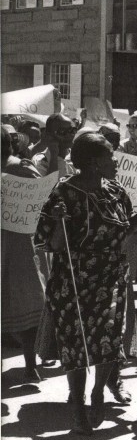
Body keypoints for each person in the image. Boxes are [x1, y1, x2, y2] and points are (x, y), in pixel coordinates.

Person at [34, 132, 137, 435]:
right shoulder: (63, 193)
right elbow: (54, 245)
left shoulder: (115, 191)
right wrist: (59, 221)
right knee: (76, 346)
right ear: (95, 163)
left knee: (109, 338)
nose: (115, 161)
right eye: (110, 156)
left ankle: (99, 391)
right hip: (72, 281)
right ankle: (78, 407)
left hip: (109, 278)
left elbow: (125, 231)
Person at [1, 128, 48, 383]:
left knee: (28, 307)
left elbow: (41, 203)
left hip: (19, 247)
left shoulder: (22, 169)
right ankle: (30, 367)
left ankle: (31, 366)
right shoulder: (23, 168)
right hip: (17, 247)